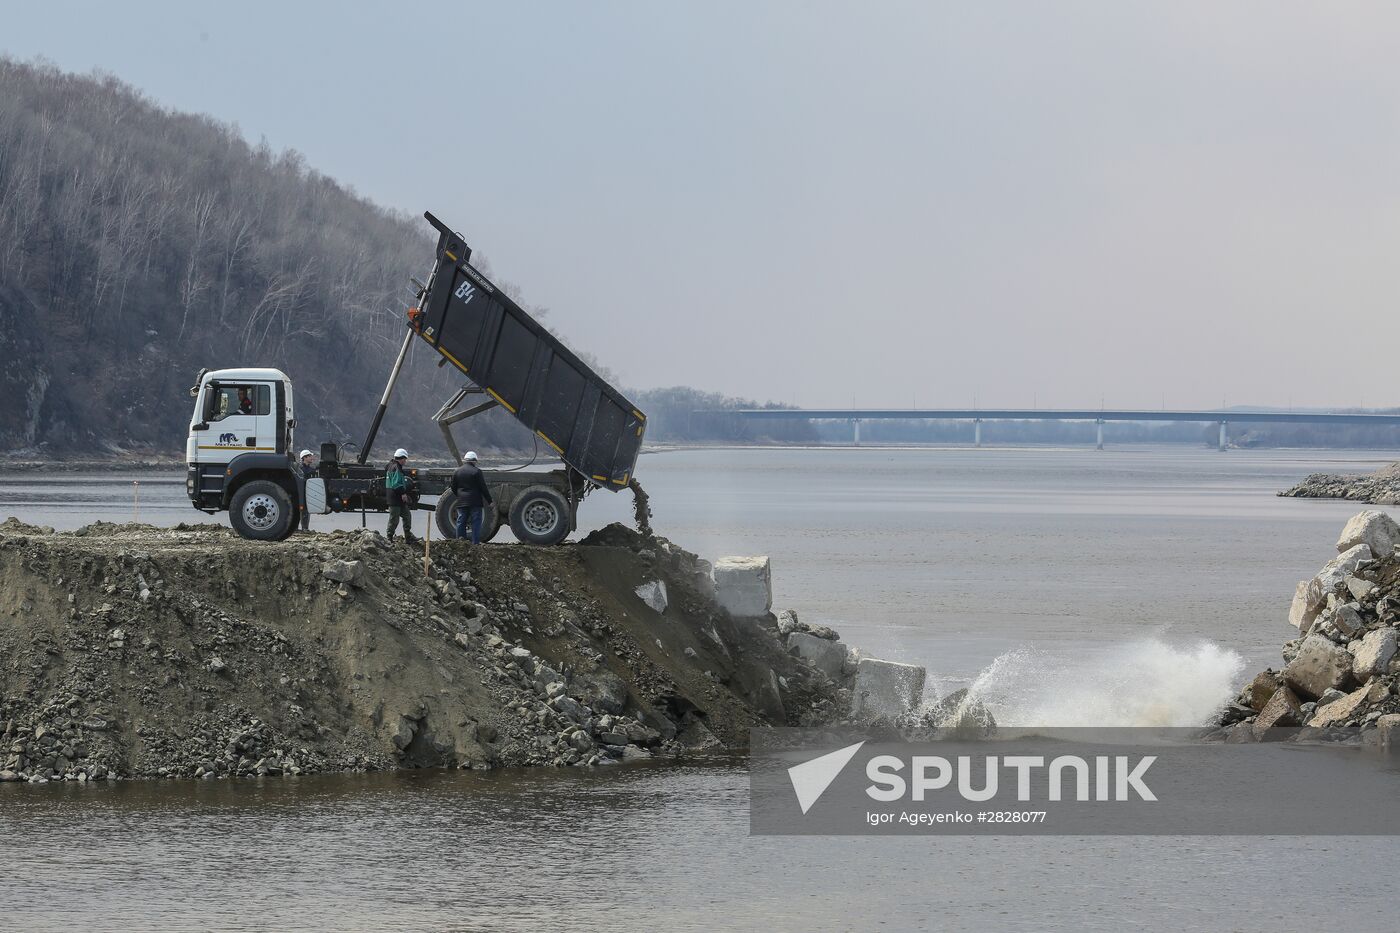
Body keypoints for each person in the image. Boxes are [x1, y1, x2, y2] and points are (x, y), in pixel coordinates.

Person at [451, 451, 494, 544]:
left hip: (462, 501)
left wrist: (459, 495)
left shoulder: (457, 471)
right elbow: (483, 488)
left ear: (465, 460)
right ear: (474, 461)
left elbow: (453, 487)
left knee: (461, 521)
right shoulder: (477, 471)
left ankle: (460, 542)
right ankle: (475, 543)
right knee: (476, 523)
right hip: (475, 502)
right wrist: (490, 501)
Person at [385, 448, 419, 545]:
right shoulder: (396, 467)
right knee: (394, 519)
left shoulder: (390, 466)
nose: (405, 461)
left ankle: (408, 537)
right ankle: (389, 538)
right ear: (402, 458)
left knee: (407, 516)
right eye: (405, 459)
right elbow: (396, 484)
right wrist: (403, 493)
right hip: (395, 497)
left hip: (395, 497)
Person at [298, 449, 316, 531]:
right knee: (302, 510)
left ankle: (305, 528)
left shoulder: (310, 469)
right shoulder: (300, 469)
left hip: (307, 492)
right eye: (309, 456)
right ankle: (302, 528)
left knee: (305, 510)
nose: (311, 457)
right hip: (301, 492)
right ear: (304, 457)